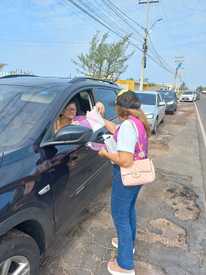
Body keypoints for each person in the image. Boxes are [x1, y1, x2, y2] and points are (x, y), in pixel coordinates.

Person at [98, 91, 150, 275]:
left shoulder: (128, 126)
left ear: (120, 109)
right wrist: (101, 119)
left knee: (120, 216)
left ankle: (125, 265)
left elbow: (125, 160)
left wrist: (105, 153)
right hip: (137, 176)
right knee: (128, 211)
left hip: (126, 176)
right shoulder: (137, 122)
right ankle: (128, 245)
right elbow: (116, 129)